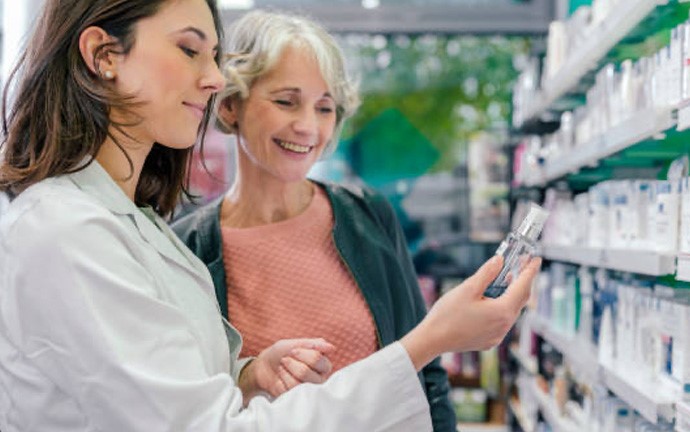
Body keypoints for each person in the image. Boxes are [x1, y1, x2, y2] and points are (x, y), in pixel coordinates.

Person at [0, 0, 541, 431]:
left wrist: (248, 373)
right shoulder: (73, 233)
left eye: (325, 107)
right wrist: (433, 338)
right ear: (104, 55)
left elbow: (171, 384)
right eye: (190, 50)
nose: (212, 78)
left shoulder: (135, 225)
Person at [171, 10, 460, 430]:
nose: (307, 126)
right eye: (286, 101)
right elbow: (187, 405)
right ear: (232, 105)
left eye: (324, 108)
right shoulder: (188, 249)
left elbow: (425, 371)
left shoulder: (367, 216)